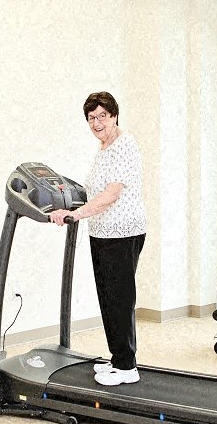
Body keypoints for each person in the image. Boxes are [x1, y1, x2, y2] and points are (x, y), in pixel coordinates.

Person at [49, 91, 147, 386]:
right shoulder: (104, 149)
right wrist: (69, 206)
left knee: (120, 299)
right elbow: (92, 192)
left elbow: (111, 195)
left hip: (123, 232)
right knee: (108, 298)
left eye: (102, 116)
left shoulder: (124, 146)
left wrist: (75, 215)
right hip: (102, 232)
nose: (97, 122)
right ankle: (118, 359)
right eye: (91, 118)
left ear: (115, 115)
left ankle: (128, 366)